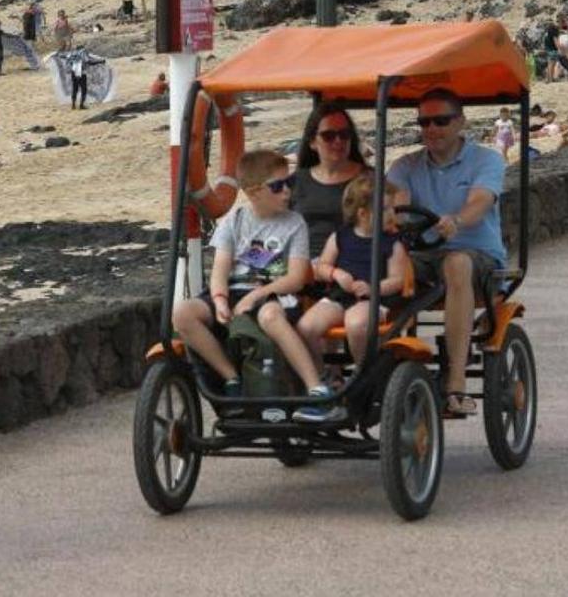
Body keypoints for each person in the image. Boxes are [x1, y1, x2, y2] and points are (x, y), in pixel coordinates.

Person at [170, 150, 344, 423]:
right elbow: (220, 270)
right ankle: (231, 378)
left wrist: (257, 295)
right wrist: (219, 300)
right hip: (234, 288)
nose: (286, 191)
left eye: (289, 183)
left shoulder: (294, 223)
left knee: (269, 315)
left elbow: (297, 277)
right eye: (277, 186)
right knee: (182, 313)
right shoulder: (234, 221)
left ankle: (316, 388)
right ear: (254, 192)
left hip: (274, 291)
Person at [387, 88, 506, 418]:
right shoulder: (405, 166)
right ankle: (382, 368)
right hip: (424, 255)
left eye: (441, 120)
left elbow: (481, 201)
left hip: (476, 254)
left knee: (457, 263)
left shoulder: (487, 160)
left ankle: (455, 381)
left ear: (461, 122)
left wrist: (457, 221)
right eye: (424, 122)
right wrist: (399, 218)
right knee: (384, 265)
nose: (432, 129)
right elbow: (398, 202)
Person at [295, 173, 410, 368]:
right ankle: (322, 375)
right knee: (306, 327)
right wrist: (336, 274)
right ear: (363, 213)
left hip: (375, 299)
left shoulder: (392, 244)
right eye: (385, 209)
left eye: (392, 208)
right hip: (340, 295)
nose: (392, 213)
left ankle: (364, 373)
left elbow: (398, 279)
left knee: (355, 323)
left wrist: (372, 288)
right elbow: (322, 267)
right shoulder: (340, 237)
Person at [290, 104, 369, 260]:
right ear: (312, 142)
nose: (338, 141)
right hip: (301, 266)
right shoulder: (296, 181)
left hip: (354, 265)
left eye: (344, 134)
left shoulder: (370, 179)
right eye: (328, 136)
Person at [67, 46, 104, 110]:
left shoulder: (72, 53)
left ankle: (73, 105)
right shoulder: (83, 52)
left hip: (74, 72)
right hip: (81, 73)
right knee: (84, 90)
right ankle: (81, 105)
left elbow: (68, 61)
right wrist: (100, 61)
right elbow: (88, 62)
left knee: (74, 89)